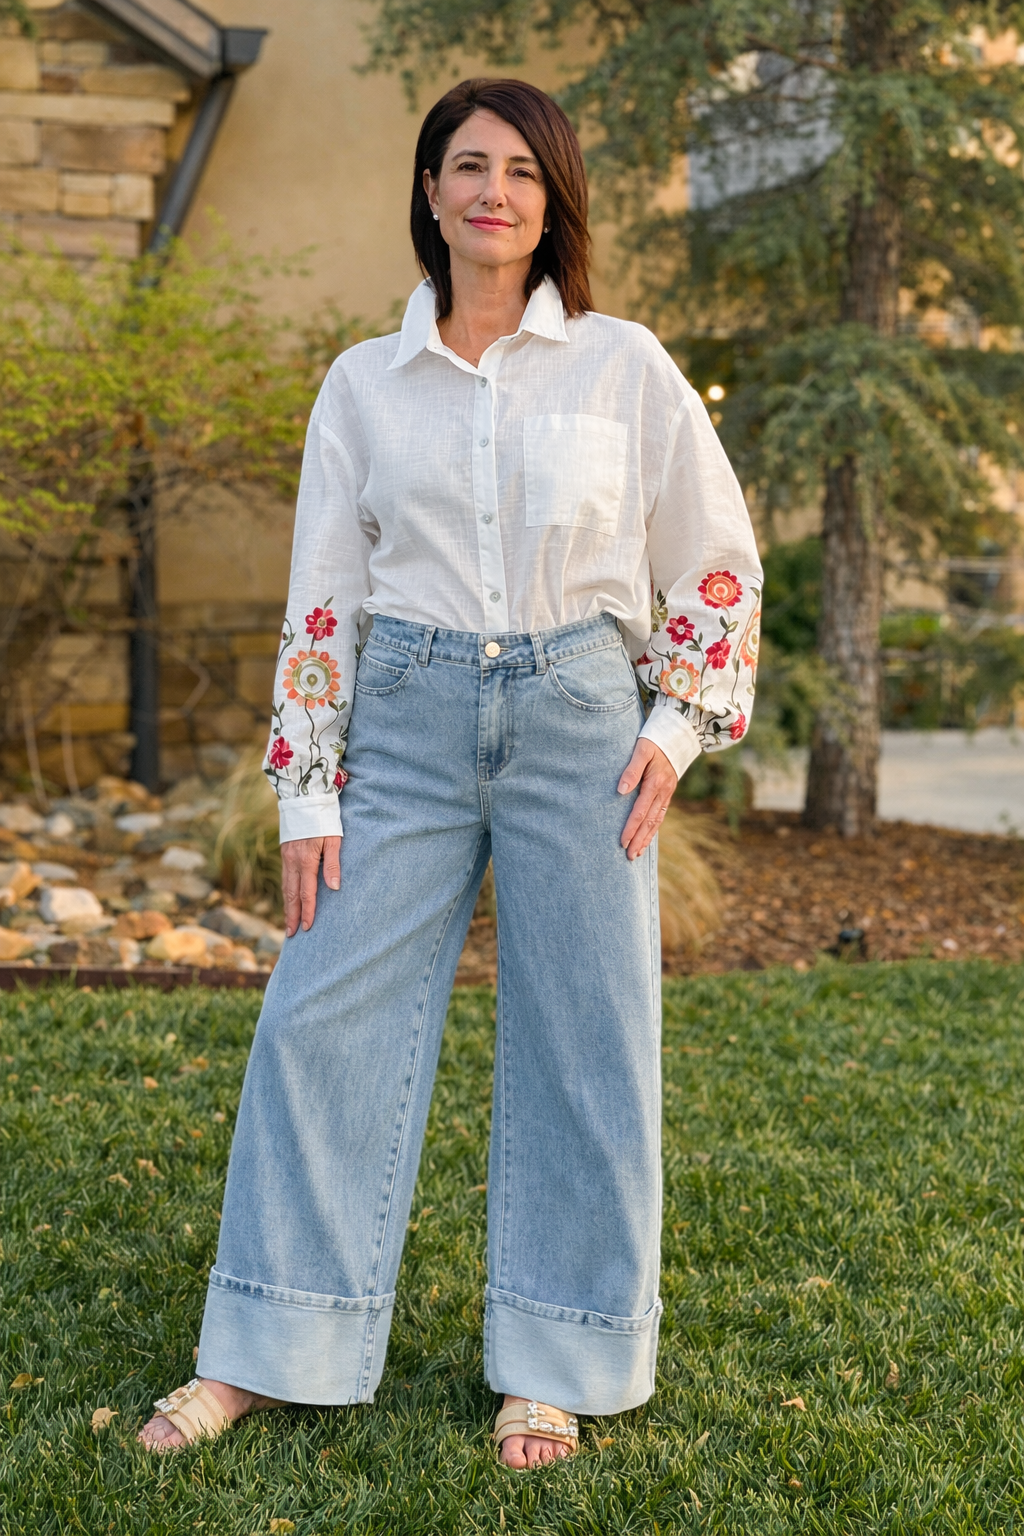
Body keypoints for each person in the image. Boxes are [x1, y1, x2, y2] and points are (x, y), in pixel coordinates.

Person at [140, 76, 762, 1468]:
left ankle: (558, 1359)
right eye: (470, 166)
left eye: (524, 171)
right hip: (405, 723)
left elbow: (715, 559)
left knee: (587, 1037)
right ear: (429, 192)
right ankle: (268, 1345)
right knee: (318, 1016)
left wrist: (673, 729)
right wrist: (307, 788)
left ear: (555, 203)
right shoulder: (363, 383)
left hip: (581, 722)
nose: (495, 191)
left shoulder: (624, 366)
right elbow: (323, 596)